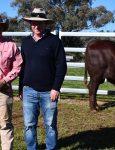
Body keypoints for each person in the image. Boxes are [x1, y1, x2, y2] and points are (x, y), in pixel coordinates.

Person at [19, 8, 67, 150]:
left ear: (46, 24)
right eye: (34, 23)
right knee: (29, 125)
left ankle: (50, 148)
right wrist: (21, 88)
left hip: (49, 92)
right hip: (29, 90)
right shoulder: (26, 42)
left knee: (50, 125)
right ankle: (31, 148)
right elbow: (23, 67)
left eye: (40, 23)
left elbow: (61, 67)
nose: (36, 26)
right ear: (30, 24)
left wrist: (56, 88)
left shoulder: (54, 41)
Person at [0, 15, 22, 150]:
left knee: (5, 123)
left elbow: (17, 66)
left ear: (2, 28)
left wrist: (4, 80)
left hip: (4, 90)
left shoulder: (11, 46)